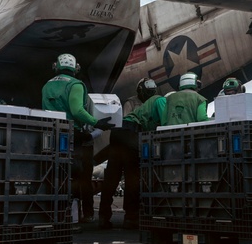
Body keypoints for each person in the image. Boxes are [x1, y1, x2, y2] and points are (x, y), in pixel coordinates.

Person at [41, 53, 112, 222]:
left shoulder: (46, 86)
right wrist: (97, 122)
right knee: (82, 177)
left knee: (57, 175)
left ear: (56, 67)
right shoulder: (75, 85)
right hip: (73, 136)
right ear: (76, 68)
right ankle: (82, 215)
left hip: (52, 134)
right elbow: (77, 110)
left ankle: (55, 213)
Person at [99, 81, 165, 230]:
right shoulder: (150, 101)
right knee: (132, 178)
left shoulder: (141, 102)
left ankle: (103, 217)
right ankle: (131, 217)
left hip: (119, 135)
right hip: (131, 135)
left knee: (111, 177)